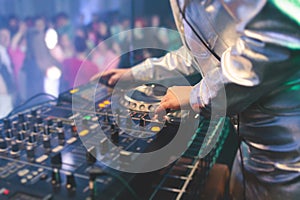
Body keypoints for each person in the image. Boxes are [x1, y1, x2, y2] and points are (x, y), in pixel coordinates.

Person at [92, 0, 300, 199]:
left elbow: (277, 38)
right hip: (254, 148)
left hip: (287, 154)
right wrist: (136, 73)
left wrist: (196, 95)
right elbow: (197, 51)